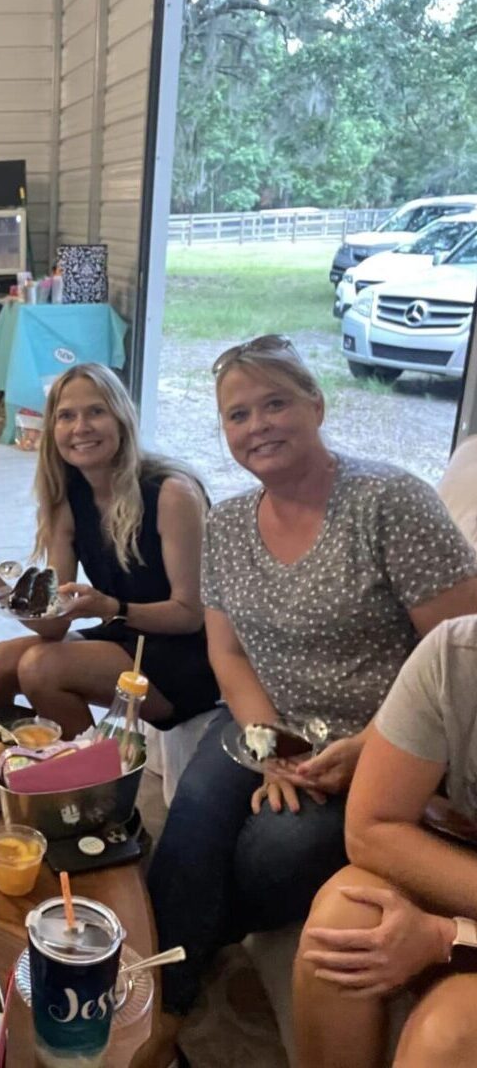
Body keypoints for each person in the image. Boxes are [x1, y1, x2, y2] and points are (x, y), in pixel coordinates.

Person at [134, 335, 477, 1068]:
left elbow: (458, 663)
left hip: (384, 747)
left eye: (276, 403)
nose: (258, 425)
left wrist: (368, 748)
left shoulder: (389, 502)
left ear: (316, 405)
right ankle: (166, 1001)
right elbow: (225, 652)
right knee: (190, 825)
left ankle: (205, 946)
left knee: (273, 853)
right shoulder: (227, 524)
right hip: (266, 722)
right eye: (237, 415)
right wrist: (268, 746)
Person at [0, 362, 218, 738]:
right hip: (124, 638)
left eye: (96, 412)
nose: (80, 428)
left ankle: (95, 786)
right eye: (66, 416)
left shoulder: (171, 493)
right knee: (0, 661)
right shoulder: (66, 499)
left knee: (41, 667)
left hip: (187, 655)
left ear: (122, 417)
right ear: (52, 428)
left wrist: (110, 608)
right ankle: (0, 763)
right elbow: (55, 625)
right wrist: (2, 590)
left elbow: (190, 615)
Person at [294, 614, 477, 1067]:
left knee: (449, 1035)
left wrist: (448, 937)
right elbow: (372, 826)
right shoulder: (456, 654)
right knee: (340, 929)